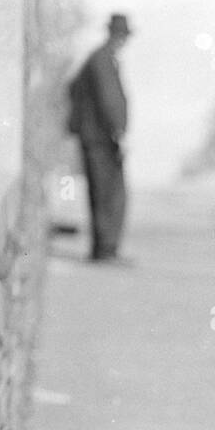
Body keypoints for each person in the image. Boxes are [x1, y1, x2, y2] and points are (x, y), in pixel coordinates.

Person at [68, 14, 133, 261]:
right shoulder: (103, 60)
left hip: (96, 137)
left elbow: (74, 88)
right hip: (102, 139)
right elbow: (109, 99)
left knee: (105, 193)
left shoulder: (101, 58)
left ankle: (104, 248)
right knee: (110, 194)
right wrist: (118, 131)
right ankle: (105, 249)